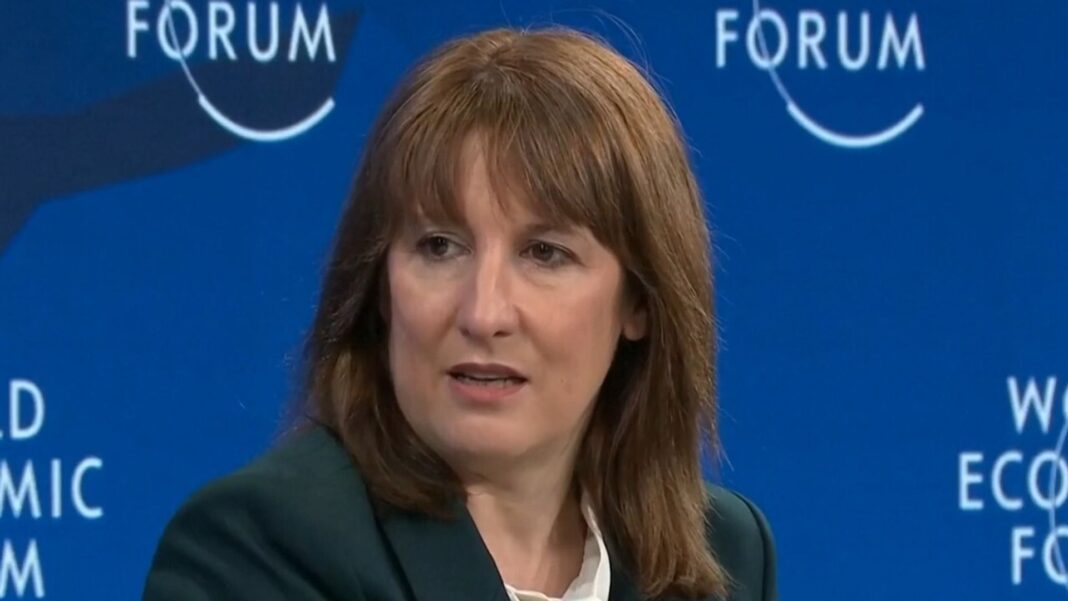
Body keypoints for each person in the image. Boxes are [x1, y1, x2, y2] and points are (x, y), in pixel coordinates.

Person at [142, 26, 777, 601]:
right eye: (440, 247)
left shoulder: (726, 555)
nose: (484, 312)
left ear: (639, 300)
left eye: (545, 253)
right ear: (381, 285)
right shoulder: (264, 546)